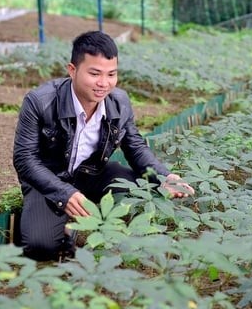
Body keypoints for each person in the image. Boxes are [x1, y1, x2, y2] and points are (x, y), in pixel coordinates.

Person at [13, 30, 194, 261]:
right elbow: (24, 159)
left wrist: (164, 177)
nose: (104, 83)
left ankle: (101, 219)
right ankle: (72, 221)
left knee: (147, 192)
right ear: (72, 70)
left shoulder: (119, 102)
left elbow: (135, 147)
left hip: (93, 172)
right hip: (51, 178)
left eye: (111, 74)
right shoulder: (40, 101)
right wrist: (64, 193)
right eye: (95, 73)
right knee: (41, 247)